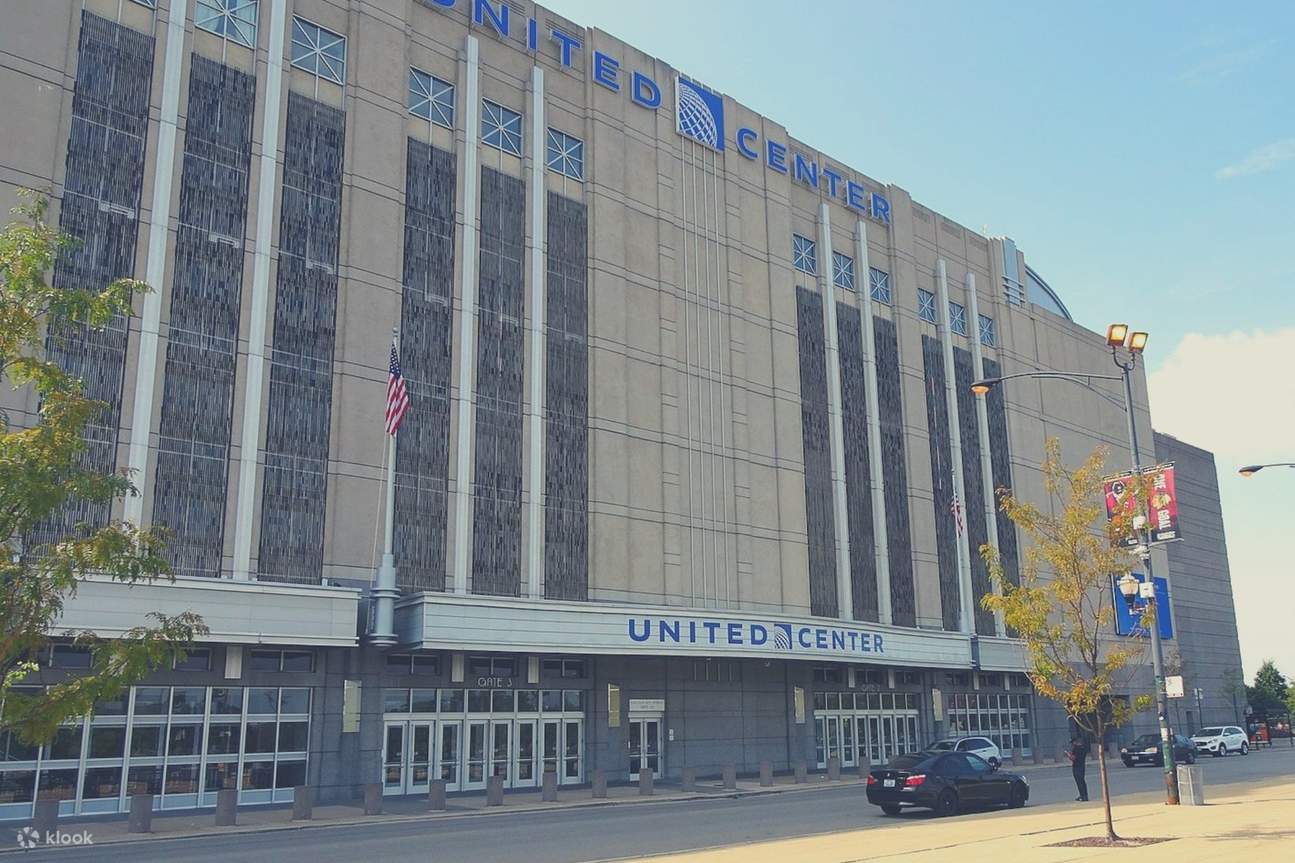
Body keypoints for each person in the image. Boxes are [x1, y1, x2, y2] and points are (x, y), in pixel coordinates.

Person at [1067, 735, 1090, 801]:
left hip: (1076, 767)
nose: (1072, 745)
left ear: (1075, 742)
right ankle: (1085, 795)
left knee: (1079, 782)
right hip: (1082, 766)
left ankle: (1083, 796)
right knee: (1082, 781)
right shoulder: (1084, 748)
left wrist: (1068, 755)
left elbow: (1073, 758)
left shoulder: (1076, 749)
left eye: (1072, 743)